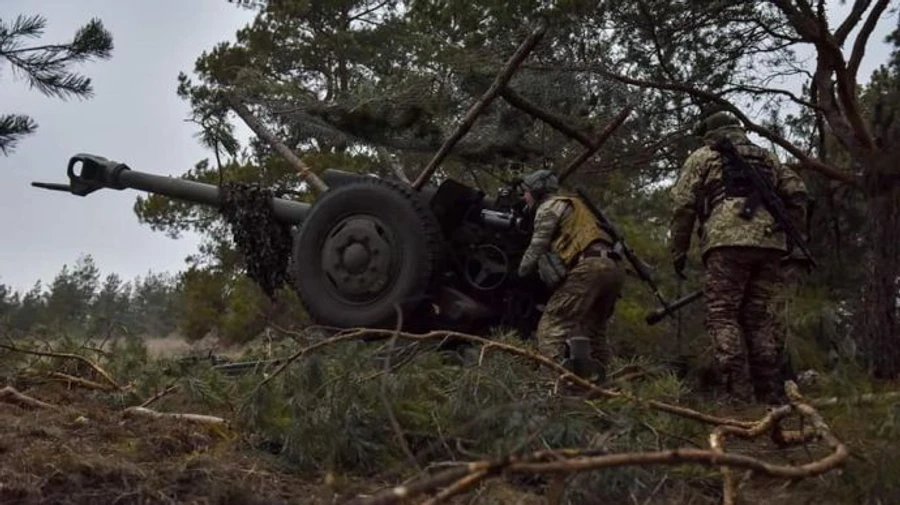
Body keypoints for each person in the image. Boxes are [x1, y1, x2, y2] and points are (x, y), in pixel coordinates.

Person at [668, 111, 809, 405]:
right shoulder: (768, 157)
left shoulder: (705, 155)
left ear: (711, 133)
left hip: (726, 241)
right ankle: (769, 394)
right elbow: (797, 192)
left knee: (722, 314)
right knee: (757, 318)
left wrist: (678, 251)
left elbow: (683, 206)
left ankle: (738, 397)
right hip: (770, 243)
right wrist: (787, 232)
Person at [516, 169, 626, 384]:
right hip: (614, 267)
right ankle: (604, 386)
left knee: (552, 326)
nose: (524, 197)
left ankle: (551, 387)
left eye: (526, 192)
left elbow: (537, 246)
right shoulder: (579, 207)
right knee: (595, 332)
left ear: (537, 192)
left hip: (590, 266)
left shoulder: (549, 207)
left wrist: (520, 272)